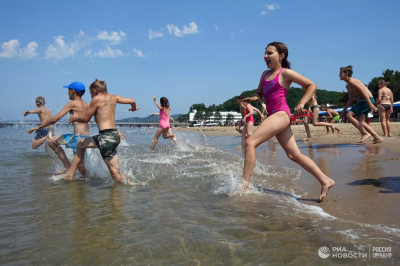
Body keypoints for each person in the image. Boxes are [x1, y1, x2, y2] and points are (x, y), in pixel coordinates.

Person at [228, 41, 334, 202]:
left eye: (270, 53)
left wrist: (301, 103)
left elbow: (311, 85)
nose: (265, 56)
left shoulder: (285, 73)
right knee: (294, 155)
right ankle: (326, 180)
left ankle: (245, 185)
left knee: (250, 143)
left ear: (281, 55)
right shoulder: (264, 74)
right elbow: (260, 94)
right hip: (275, 116)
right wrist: (252, 98)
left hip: (281, 115)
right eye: (265, 53)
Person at [63, 79, 139, 184]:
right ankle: (69, 175)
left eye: (91, 94)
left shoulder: (97, 99)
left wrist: (74, 118)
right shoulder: (114, 97)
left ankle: (127, 190)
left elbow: (85, 119)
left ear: (95, 91)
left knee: (114, 173)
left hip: (105, 137)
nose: (91, 97)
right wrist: (134, 108)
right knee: (81, 144)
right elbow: (132, 101)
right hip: (113, 135)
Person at [28, 82, 91, 175]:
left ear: (73, 91)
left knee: (51, 142)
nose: (68, 93)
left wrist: (39, 126)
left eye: (68, 90)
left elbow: (54, 119)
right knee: (81, 168)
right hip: (85, 136)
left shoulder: (72, 104)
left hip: (77, 138)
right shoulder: (86, 104)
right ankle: (89, 184)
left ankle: (67, 165)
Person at [339, 65, 383, 144]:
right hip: (364, 101)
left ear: (347, 73)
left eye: (341, 73)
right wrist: (343, 112)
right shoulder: (349, 85)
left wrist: (369, 104)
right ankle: (377, 137)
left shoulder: (352, 81)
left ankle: (365, 133)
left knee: (349, 116)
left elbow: (363, 91)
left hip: (366, 100)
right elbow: (350, 100)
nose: (339, 75)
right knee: (361, 121)